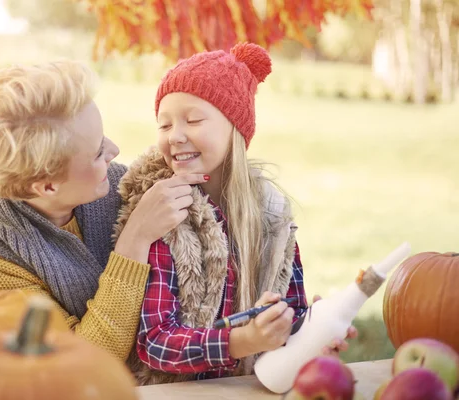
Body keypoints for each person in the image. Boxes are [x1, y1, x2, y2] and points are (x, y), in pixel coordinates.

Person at [112, 42, 357, 385]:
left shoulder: (272, 217)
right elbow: (154, 342)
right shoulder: (166, 213)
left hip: (247, 389)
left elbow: (288, 314)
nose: (175, 136)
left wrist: (310, 331)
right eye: (164, 125)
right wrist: (240, 342)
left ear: (235, 129)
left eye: (193, 119)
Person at [0, 60, 208, 362]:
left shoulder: (114, 184)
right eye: (98, 151)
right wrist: (134, 240)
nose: (114, 150)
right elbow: (76, 362)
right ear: (47, 186)